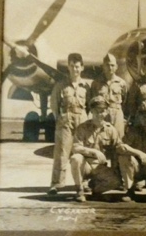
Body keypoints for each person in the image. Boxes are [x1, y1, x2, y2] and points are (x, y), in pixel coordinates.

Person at [48, 53, 91, 195]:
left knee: (83, 151)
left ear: (82, 67)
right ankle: (56, 183)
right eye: (72, 66)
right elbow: (54, 105)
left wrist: (85, 118)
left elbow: (90, 105)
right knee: (61, 152)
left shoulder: (86, 87)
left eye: (77, 66)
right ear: (68, 67)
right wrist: (61, 119)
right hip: (65, 120)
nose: (75, 69)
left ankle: (84, 182)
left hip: (82, 119)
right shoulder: (61, 85)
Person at [70, 96, 123, 202]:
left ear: (107, 112)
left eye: (103, 111)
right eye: (96, 111)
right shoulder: (82, 128)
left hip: (99, 167)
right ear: (91, 111)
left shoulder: (111, 130)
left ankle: (95, 188)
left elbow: (117, 149)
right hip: (85, 165)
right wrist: (94, 152)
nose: (100, 114)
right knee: (76, 158)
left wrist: (116, 170)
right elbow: (75, 147)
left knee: (116, 182)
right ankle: (79, 190)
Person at [91, 53, 127, 138]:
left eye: (112, 65)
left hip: (116, 114)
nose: (110, 68)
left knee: (118, 139)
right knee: (101, 137)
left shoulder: (122, 83)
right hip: (102, 114)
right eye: (107, 65)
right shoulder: (96, 83)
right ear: (103, 66)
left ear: (116, 67)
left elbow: (125, 100)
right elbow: (93, 100)